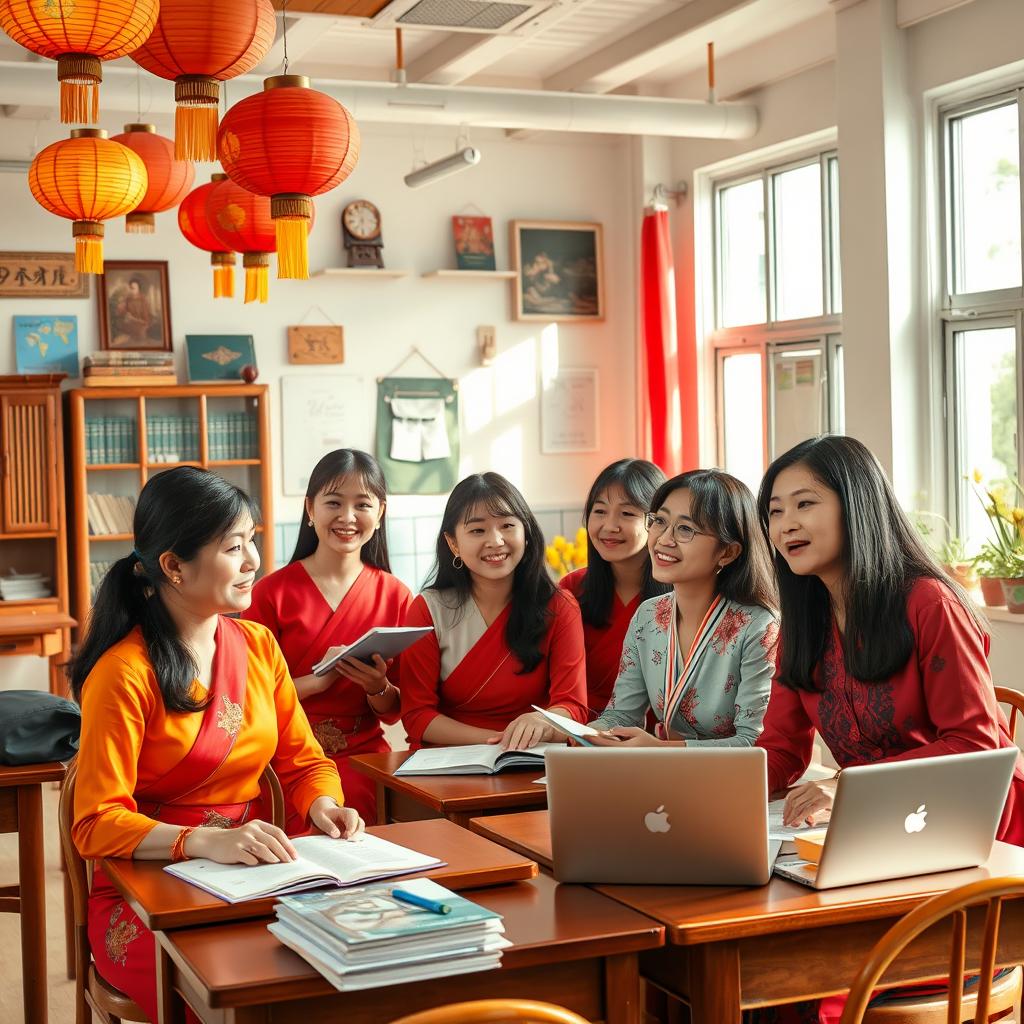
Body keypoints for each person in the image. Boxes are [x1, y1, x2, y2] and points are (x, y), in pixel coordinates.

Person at [70, 467, 361, 1023]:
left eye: (252, 540)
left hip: (257, 872)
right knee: (233, 996)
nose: (254, 560)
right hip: (145, 890)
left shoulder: (257, 645)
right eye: (235, 546)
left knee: (336, 975)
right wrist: (201, 842)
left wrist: (324, 805)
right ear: (174, 566)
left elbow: (304, 762)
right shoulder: (124, 673)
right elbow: (95, 822)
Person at [755, 435, 1024, 844]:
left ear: (858, 506)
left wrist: (850, 784)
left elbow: (975, 745)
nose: (785, 524)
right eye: (775, 512)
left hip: (985, 830)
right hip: (883, 824)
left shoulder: (930, 604)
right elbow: (782, 749)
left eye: (804, 504)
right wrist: (715, 791)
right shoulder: (804, 621)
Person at [243, 449, 412, 827]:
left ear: (380, 513)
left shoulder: (397, 595)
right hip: (283, 757)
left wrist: (377, 688)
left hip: (365, 758)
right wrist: (315, 683)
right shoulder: (269, 593)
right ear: (310, 509)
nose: (347, 517)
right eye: (333, 502)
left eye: (362, 504)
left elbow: (399, 709)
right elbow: (246, 700)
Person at [587, 469, 779, 746]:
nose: (664, 539)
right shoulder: (648, 615)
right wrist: (576, 733)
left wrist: (661, 750)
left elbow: (751, 741)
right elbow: (621, 714)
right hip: (667, 774)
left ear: (728, 552)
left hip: (732, 783)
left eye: (686, 529)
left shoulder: (759, 626)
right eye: (660, 521)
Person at [400, 472, 589, 750]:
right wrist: (498, 741)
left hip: (531, 759)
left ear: (526, 533)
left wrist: (542, 723)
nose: (496, 540)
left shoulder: (560, 606)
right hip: (448, 764)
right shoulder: (428, 609)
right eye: (478, 530)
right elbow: (417, 716)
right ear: (453, 543)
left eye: (507, 526)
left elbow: (572, 707)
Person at [559, 459, 669, 717]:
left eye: (627, 513)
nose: (609, 526)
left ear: (657, 521)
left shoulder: (684, 593)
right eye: (599, 511)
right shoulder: (570, 590)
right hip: (582, 732)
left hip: (659, 742)